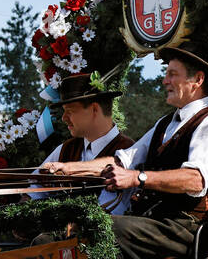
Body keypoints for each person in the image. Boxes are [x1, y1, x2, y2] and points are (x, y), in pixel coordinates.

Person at [41, 42, 208, 259]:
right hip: (152, 222)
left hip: (187, 230)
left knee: (99, 228)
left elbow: (196, 179)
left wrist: (138, 178)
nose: (165, 81)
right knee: (55, 238)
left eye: (172, 74)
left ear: (198, 80)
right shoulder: (165, 123)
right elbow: (121, 160)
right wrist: (68, 169)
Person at [29, 73, 131, 208]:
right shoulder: (65, 149)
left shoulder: (129, 151)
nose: (64, 118)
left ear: (94, 109)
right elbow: (32, 186)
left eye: (70, 111)